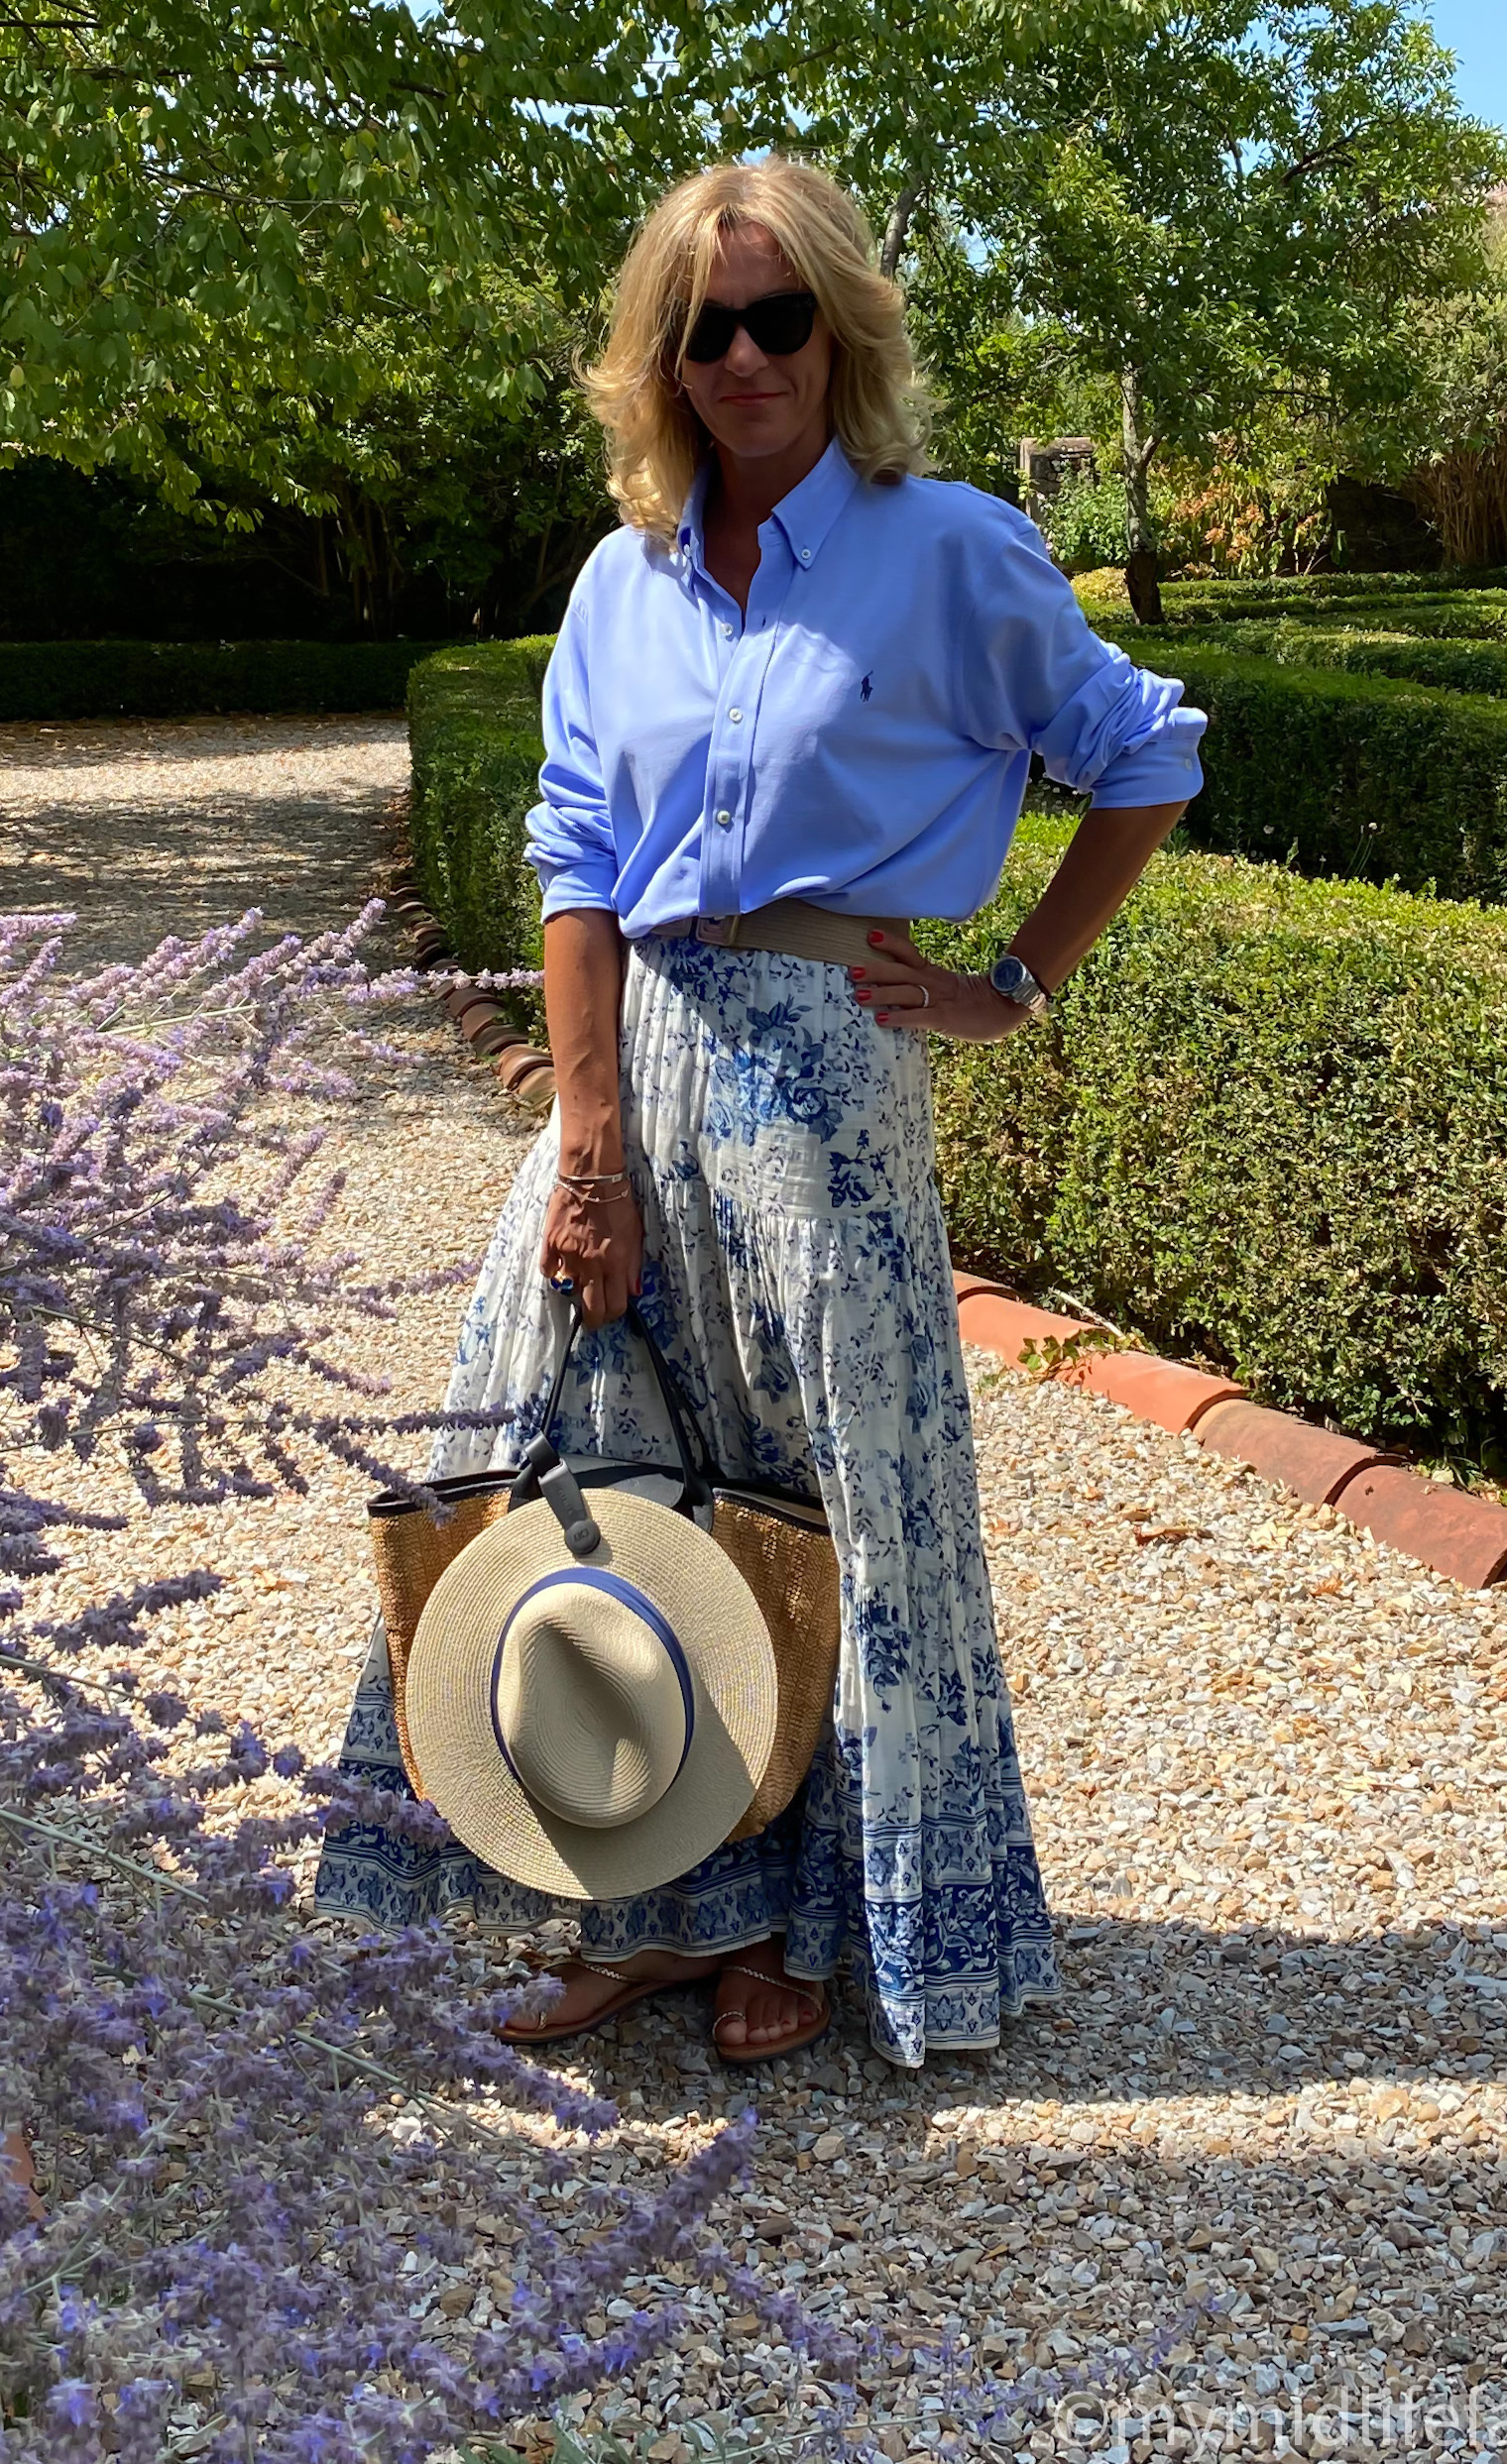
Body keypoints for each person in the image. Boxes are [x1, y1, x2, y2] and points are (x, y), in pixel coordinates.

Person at [315, 158, 1204, 2067]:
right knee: (571, 1444)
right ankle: (628, 1894)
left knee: (839, 1500)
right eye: (699, 325)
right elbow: (569, 856)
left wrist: (1008, 984)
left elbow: (1142, 756)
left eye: (776, 315)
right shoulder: (617, 582)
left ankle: (807, 1919)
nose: (741, 356)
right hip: (629, 1045)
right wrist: (585, 1143)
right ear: (657, 356)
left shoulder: (949, 547)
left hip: (828, 1067)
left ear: (841, 330)